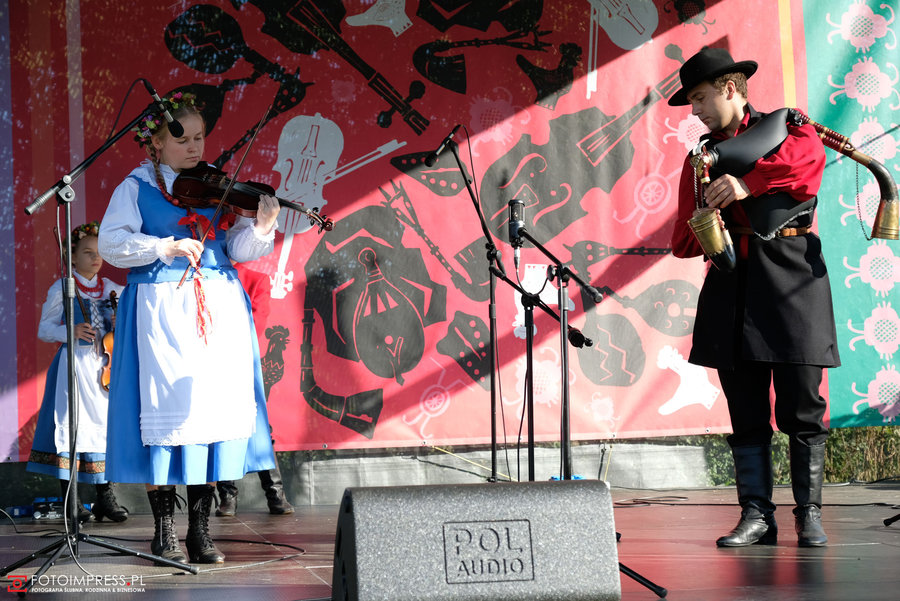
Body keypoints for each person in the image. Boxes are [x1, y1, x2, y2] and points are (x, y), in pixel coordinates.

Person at [98, 91, 280, 564]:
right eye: (184, 140)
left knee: (210, 411)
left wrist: (260, 228)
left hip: (218, 304)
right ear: (157, 143)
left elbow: (236, 250)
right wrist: (163, 247)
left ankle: (200, 531)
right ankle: (165, 531)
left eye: (200, 137)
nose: (196, 147)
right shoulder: (135, 186)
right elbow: (111, 245)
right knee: (167, 412)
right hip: (162, 307)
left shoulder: (216, 184)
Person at [669, 47, 839, 548]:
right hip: (733, 286)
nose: (695, 110)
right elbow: (682, 241)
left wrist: (746, 184)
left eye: (700, 97)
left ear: (730, 88)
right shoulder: (699, 159)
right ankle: (756, 515)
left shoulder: (790, 129)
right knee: (745, 410)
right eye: (691, 102)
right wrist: (704, 218)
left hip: (793, 281)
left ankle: (809, 513)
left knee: (802, 406)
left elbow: (807, 167)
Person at [27, 221, 129, 523]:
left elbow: (129, 321)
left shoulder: (111, 288)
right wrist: (69, 331)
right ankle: (71, 500)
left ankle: (105, 497)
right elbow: (44, 329)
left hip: (104, 366)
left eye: (99, 252)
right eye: (87, 252)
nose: (95, 258)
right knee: (71, 425)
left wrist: (120, 320)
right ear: (71, 256)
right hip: (73, 366)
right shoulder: (62, 287)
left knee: (104, 425)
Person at [215, 262, 294, 516]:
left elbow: (256, 326)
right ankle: (227, 496)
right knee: (219, 426)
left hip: (241, 361)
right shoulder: (202, 277)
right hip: (210, 362)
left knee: (257, 426)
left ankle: (276, 494)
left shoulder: (255, 279)